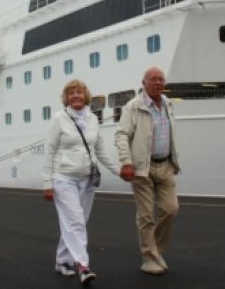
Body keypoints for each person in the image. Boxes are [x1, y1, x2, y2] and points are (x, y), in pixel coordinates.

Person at [43, 80, 121, 284]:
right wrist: (47, 183)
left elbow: (100, 150)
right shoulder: (59, 119)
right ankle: (83, 266)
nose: (75, 96)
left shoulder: (93, 119)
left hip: (87, 179)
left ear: (85, 96)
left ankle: (62, 261)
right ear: (66, 98)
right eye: (71, 93)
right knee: (76, 221)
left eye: (79, 93)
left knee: (76, 222)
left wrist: (118, 171)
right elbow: (49, 151)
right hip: (64, 178)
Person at [115, 67, 180, 275]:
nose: (158, 82)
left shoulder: (168, 104)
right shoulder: (134, 106)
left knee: (171, 210)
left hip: (166, 165)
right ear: (144, 83)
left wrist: (174, 160)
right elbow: (121, 135)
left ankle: (156, 250)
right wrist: (126, 162)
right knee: (146, 216)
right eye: (153, 79)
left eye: (161, 79)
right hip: (142, 167)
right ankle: (148, 258)